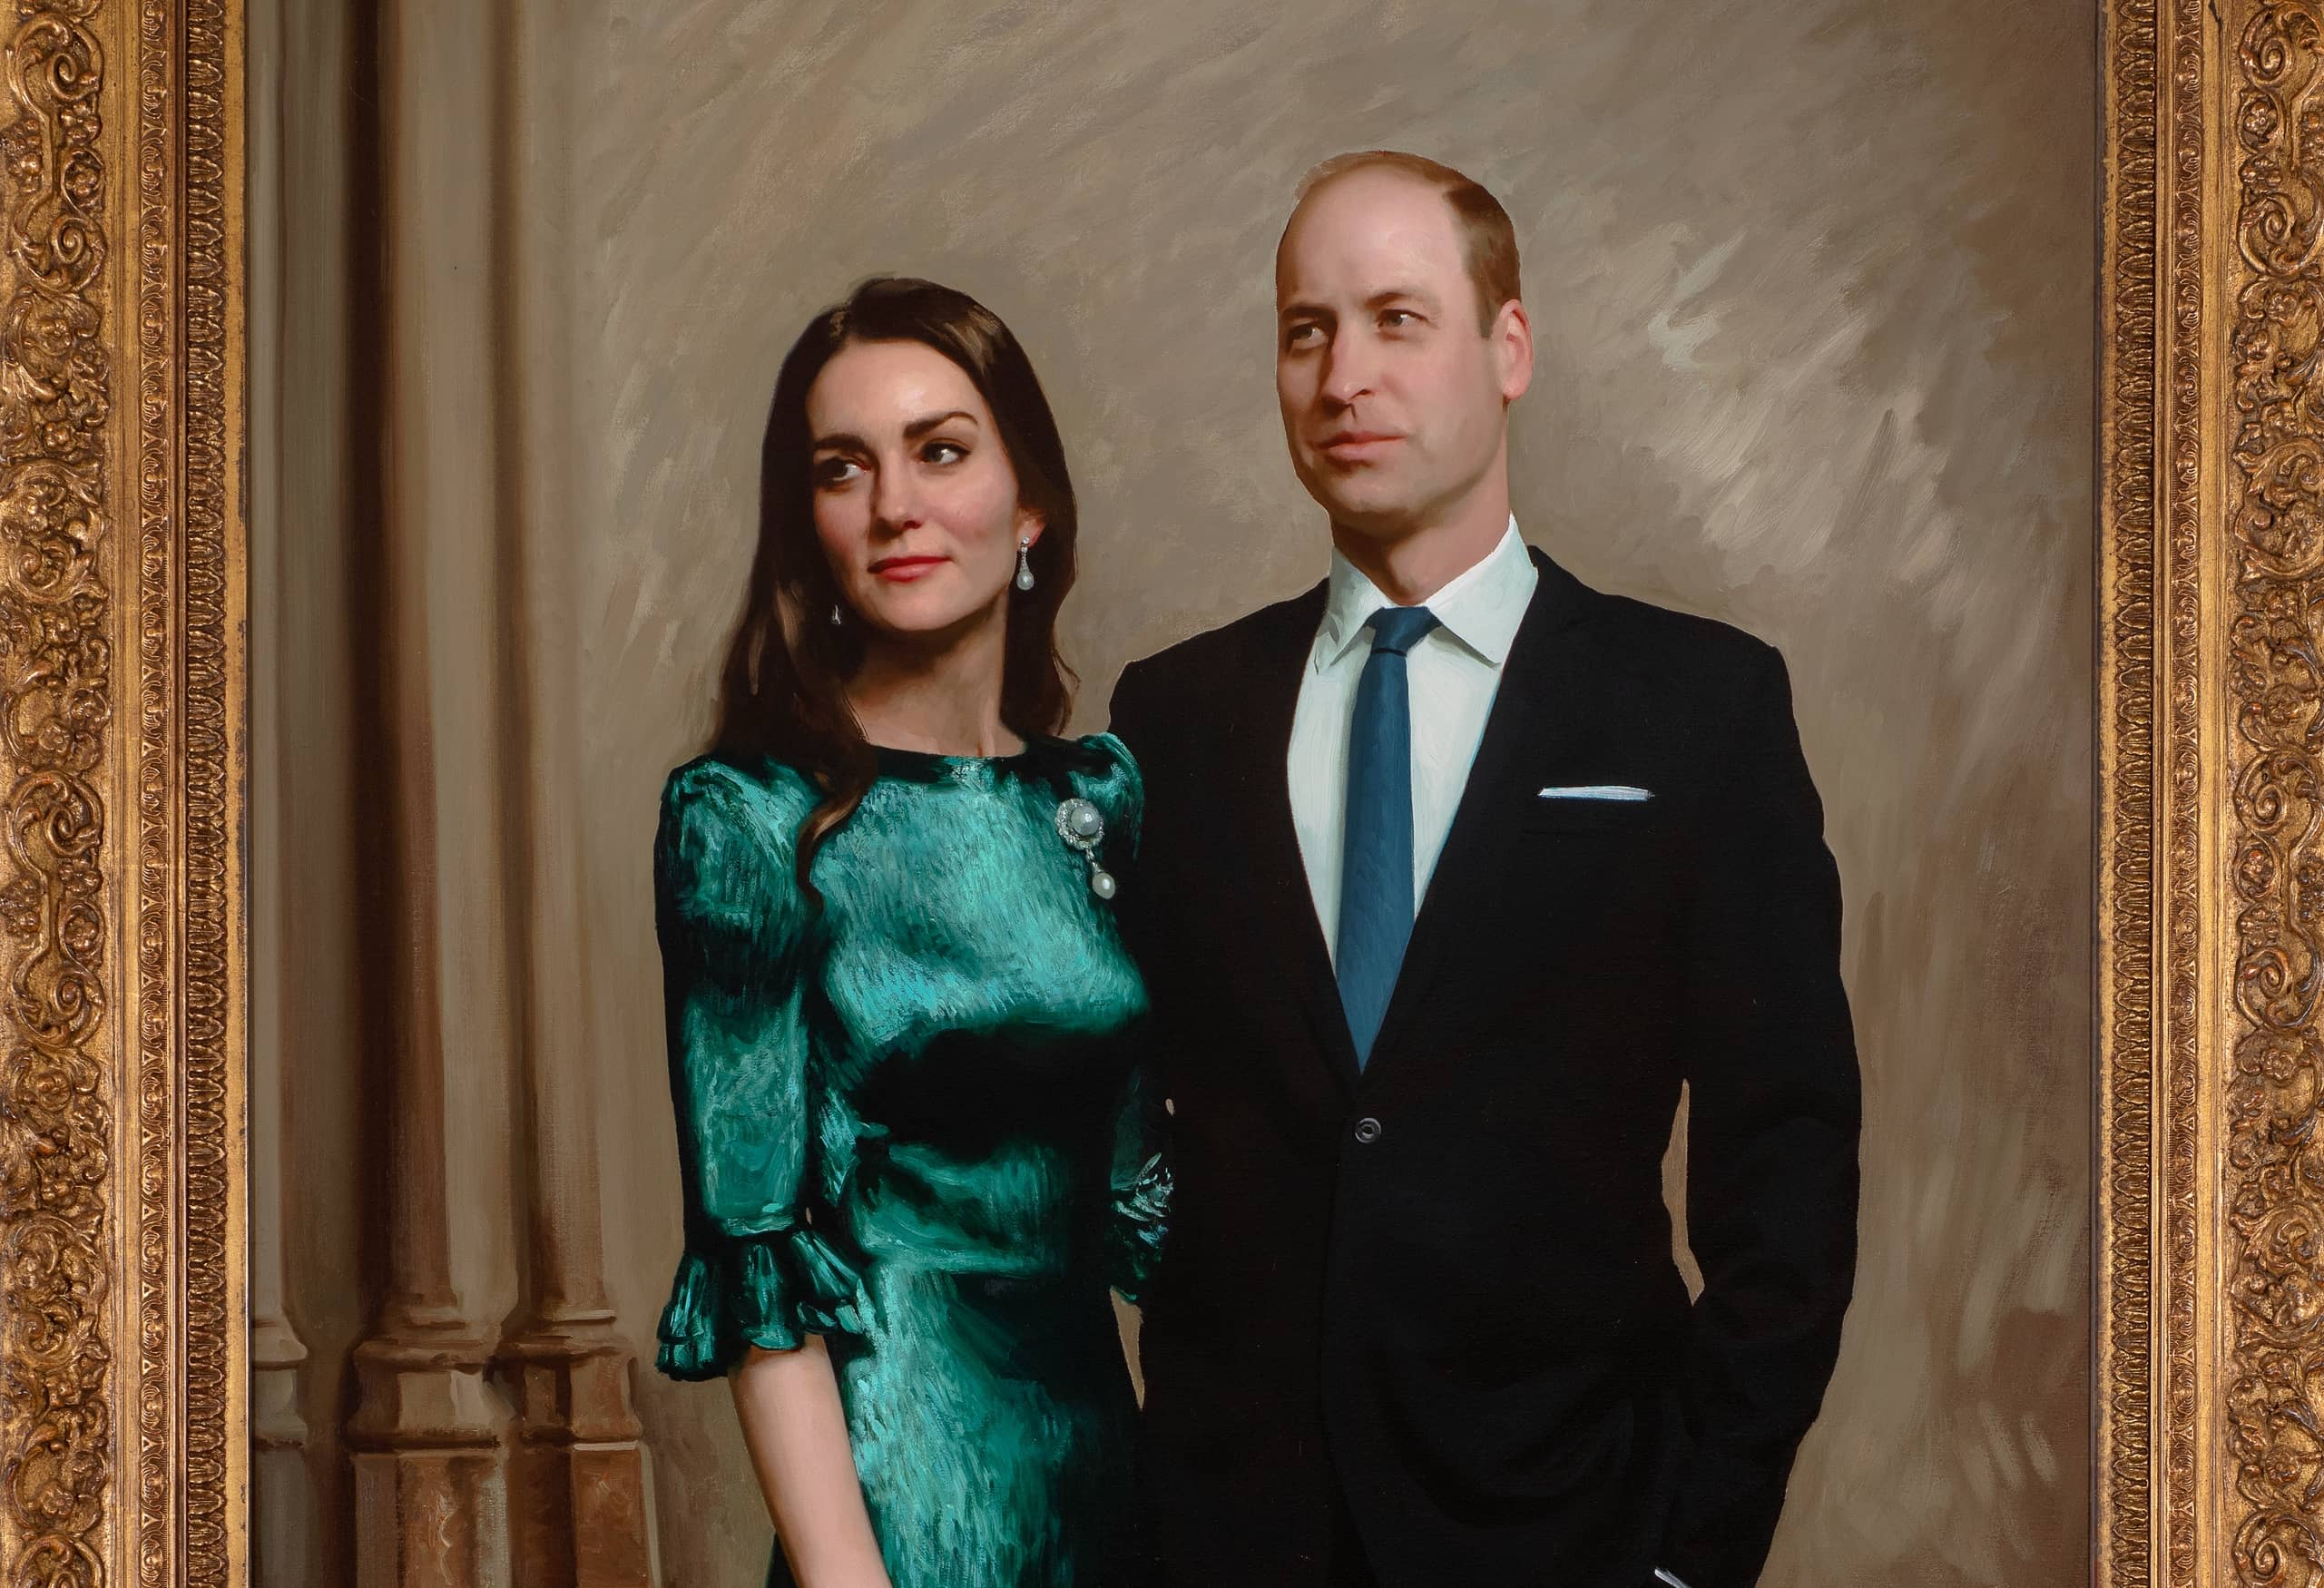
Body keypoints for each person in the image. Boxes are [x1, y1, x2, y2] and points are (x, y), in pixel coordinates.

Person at [1108, 152, 1860, 1588]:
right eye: (1306, 329)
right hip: (1228, 1537)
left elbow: (1787, 1163)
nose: (1344, 377)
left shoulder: (1693, 706)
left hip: (1570, 1523)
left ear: (1507, 348)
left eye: (1397, 319)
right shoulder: (1174, 717)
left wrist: (1687, 1551)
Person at [651, 276, 1169, 1588]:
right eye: (845, 468)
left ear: (1029, 502)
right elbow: (754, 1259)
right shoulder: (749, 819)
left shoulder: (1096, 799)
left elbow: (1154, 1202)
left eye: (940, 450)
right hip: (900, 1499)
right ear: (809, 525)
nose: (894, 504)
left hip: (1116, 1487)